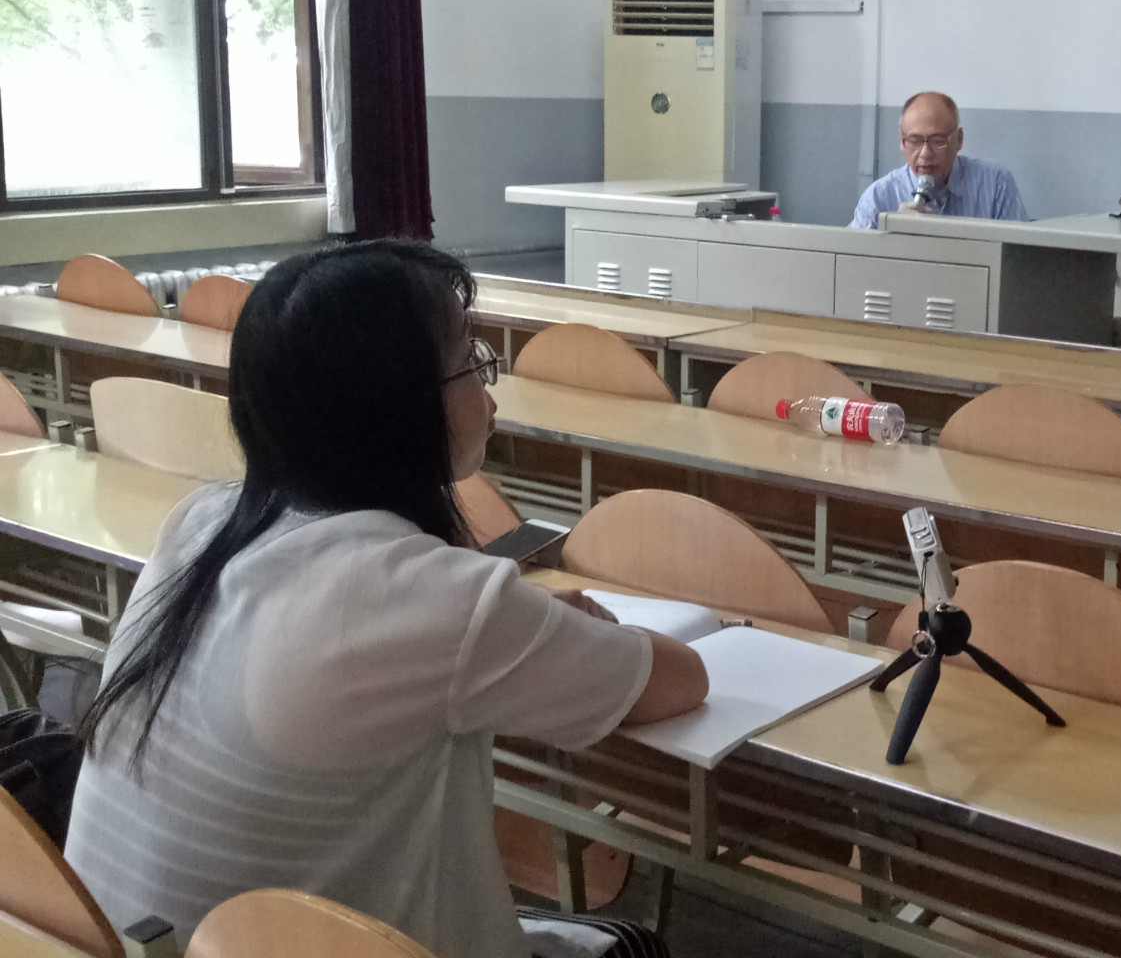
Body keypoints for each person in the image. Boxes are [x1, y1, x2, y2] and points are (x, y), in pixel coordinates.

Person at [64, 241, 708, 958]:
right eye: (470, 364)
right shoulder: (432, 599)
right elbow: (681, 680)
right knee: (631, 947)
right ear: (394, 404)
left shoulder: (202, 521)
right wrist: (569, 625)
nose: (488, 393)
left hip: (118, 942)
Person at [849, 91, 1028, 229]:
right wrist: (891, 233)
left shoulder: (995, 184)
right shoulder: (879, 196)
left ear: (959, 140)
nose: (925, 153)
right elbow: (850, 259)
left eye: (938, 141)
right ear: (901, 141)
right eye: (914, 141)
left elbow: (1020, 256)